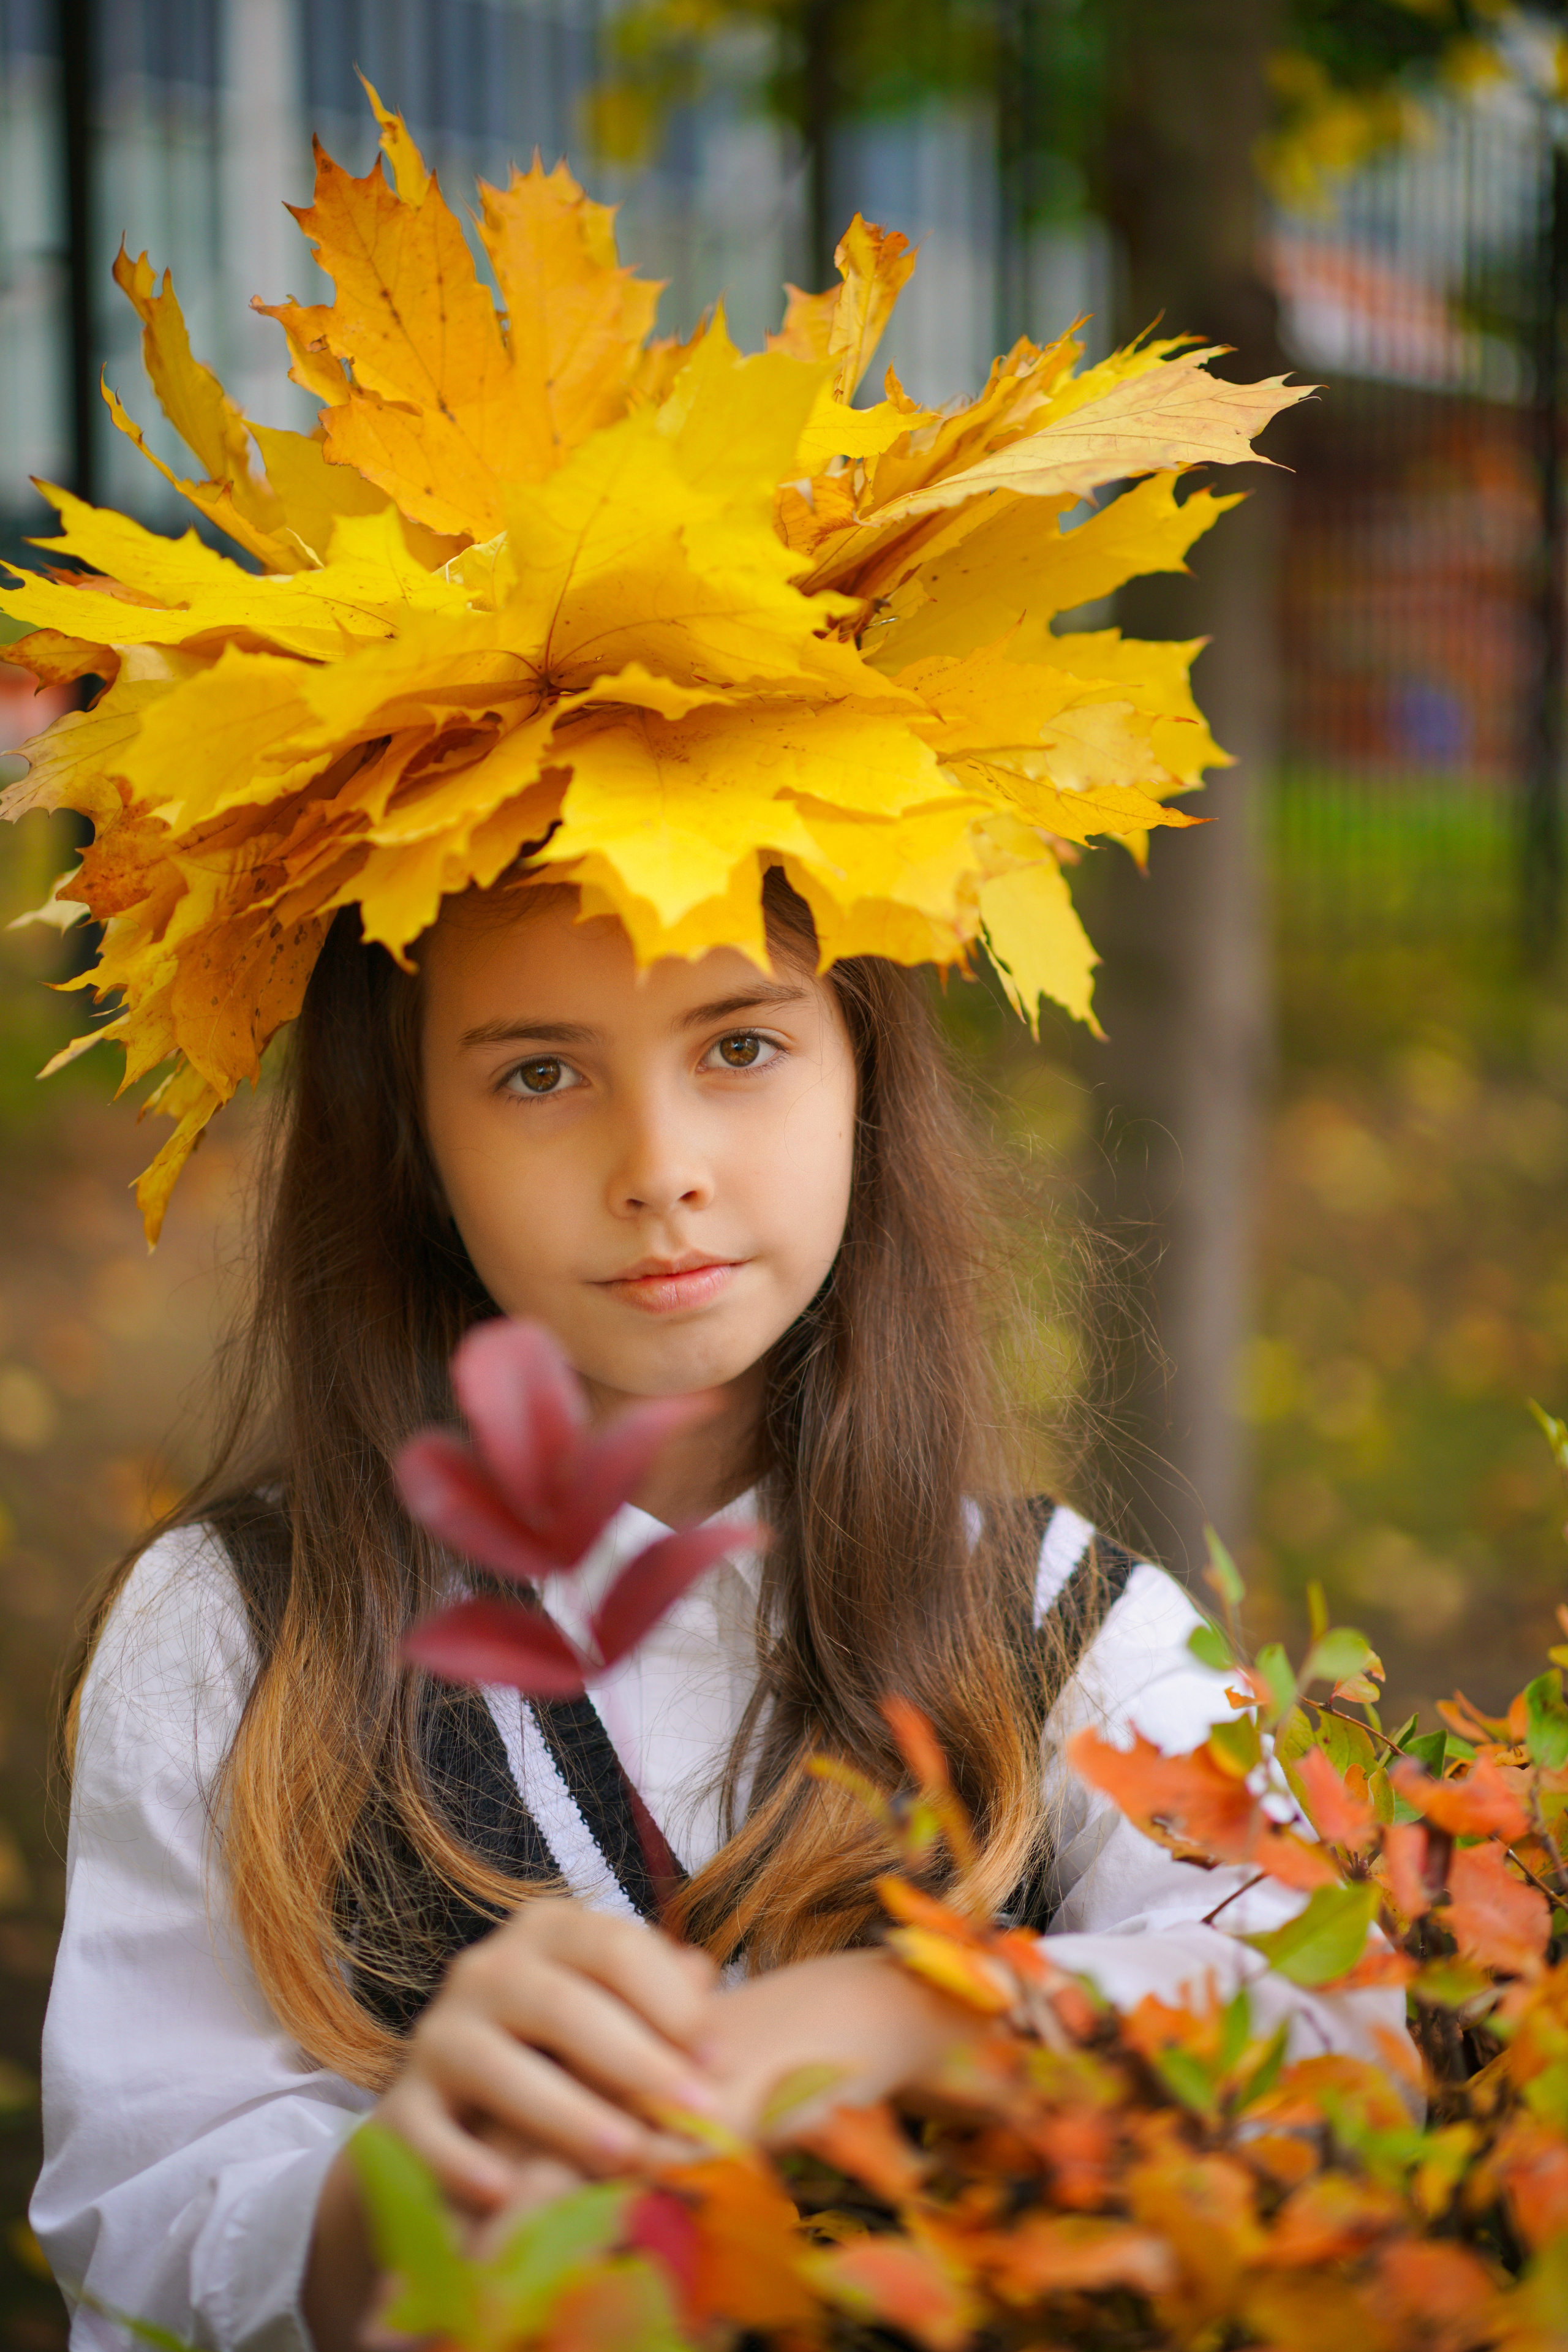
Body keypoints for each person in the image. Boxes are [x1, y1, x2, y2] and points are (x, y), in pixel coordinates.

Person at [0, 98, 1357, 2352]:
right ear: (410, 1135)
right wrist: (394, 2197)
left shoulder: (1054, 1628)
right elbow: (145, 2213)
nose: (663, 1166)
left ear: (867, 1080)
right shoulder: (240, 1640)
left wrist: (917, 2016)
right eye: (538, 1073)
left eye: (741, 1045)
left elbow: (1349, 2012)